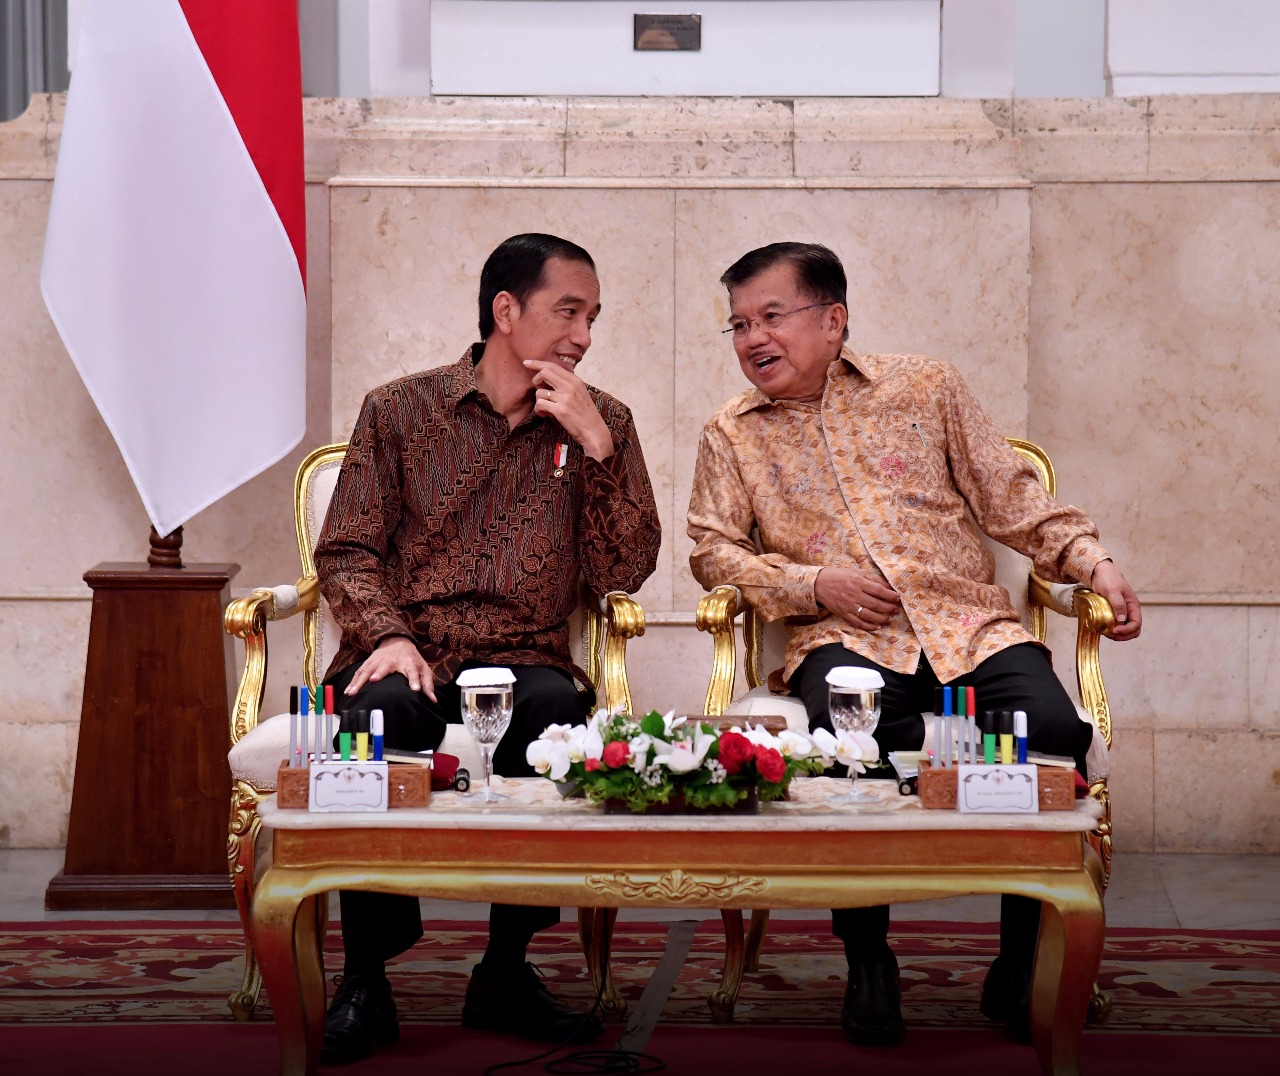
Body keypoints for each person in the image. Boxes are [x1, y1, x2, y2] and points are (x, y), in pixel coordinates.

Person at [687, 242, 1141, 1049]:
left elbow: (1010, 496)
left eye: (770, 316)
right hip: (844, 638)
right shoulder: (732, 432)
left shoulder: (925, 385)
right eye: (737, 324)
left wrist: (1092, 563)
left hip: (970, 628)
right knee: (846, 741)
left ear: (834, 320)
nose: (752, 338)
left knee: (1058, 738)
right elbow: (713, 552)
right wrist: (812, 584)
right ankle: (869, 963)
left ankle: (1016, 961)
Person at [314, 233, 661, 1064]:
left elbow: (625, 571)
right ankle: (365, 977)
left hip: (527, 656)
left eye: (593, 318)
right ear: (507, 312)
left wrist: (599, 452)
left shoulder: (603, 420)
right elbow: (347, 549)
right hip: (414, 647)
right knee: (375, 718)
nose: (583, 335)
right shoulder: (398, 410)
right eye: (567, 312)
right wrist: (389, 635)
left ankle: (504, 970)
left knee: (550, 713)